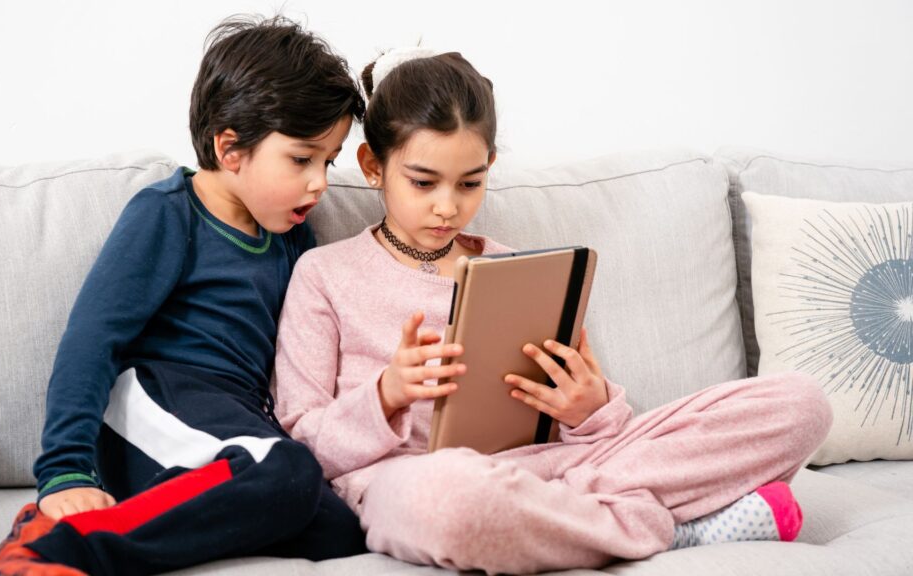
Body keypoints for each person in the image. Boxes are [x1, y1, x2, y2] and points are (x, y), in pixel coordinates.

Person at [272, 48, 833, 574]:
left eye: (471, 183)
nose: (448, 207)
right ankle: (666, 528)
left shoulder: (517, 269)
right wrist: (387, 393)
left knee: (800, 404)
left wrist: (591, 408)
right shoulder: (323, 275)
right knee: (447, 498)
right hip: (412, 481)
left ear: (490, 164)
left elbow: (595, 432)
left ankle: (570, 521)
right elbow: (303, 445)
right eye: (423, 183)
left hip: (558, 471)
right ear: (373, 165)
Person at [0, 15, 368, 576]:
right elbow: (91, 339)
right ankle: (56, 540)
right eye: (302, 159)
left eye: (328, 161)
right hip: (155, 399)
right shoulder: (168, 213)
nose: (319, 182)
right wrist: (65, 472)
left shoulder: (294, 238)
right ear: (230, 149)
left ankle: (144, 519)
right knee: (286, 472)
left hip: (234, 418)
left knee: (341, 530)